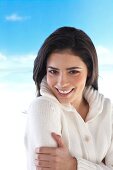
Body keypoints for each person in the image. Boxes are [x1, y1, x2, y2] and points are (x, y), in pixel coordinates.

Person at [25, 26, 113, 170]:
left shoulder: (107, 109)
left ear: (89, 71)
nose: (61, 83)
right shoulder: (43, 107)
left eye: (73, 72)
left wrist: (73, 165)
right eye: (53, 71)